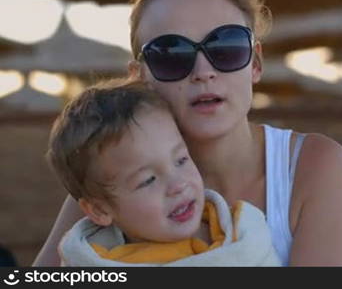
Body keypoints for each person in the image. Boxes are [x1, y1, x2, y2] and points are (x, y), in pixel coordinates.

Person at [34, 0, 342, 267]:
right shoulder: (112, 172)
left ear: (255, 63)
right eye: (171, 54)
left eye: (226, 47)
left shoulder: (310, 167)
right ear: (140, 78)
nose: (203, 71)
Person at [48, 79, 279, 266]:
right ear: (99, 209)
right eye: (148, 180)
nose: (177, 184)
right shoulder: (94, 261)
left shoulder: (242, 234)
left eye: (181, 160)